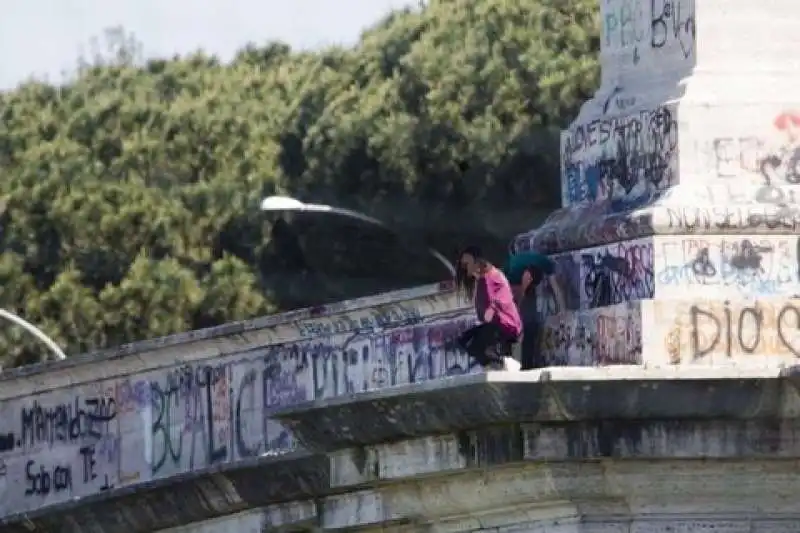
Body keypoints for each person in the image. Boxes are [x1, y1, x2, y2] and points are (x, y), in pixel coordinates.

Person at [455, 246, 522, 371]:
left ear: (478, 262)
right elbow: (482, 315)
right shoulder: (481, 281)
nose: (465, 268)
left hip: (507, 324)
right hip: (494, 325)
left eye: (467, 264)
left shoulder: (494, 276)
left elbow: (504, 296)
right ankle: (492, 365)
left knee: (480, 344)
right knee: (464, 340)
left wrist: (492, 308)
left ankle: (507, 363)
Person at [504, 250, 566, 370]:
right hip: (511, 282)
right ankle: (514, 359)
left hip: (523, 275)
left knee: (529, 323)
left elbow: (556, 289)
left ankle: (527, 359)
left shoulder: (545, 264)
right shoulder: (511, 271)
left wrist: (562, 311)